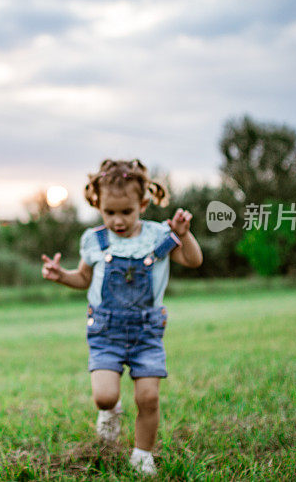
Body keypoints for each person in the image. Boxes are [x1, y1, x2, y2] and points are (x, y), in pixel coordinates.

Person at [41, 159, 202, 476]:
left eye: (126, 212)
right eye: (109, 212)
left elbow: (193, 260)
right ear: (98, 205)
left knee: (149, 397)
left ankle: (142, 454)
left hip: (147, 332)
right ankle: (110, 412)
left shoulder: (158, 235)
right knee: (104, 396)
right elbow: (84, 279)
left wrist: (185, 234)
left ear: (143, 204)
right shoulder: (94, 240)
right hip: (105, 331)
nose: (117, 220)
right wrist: (61, 275)